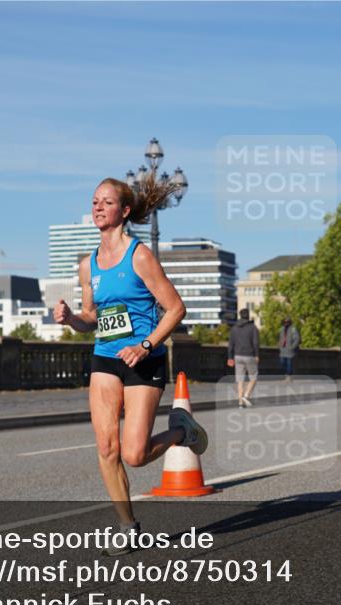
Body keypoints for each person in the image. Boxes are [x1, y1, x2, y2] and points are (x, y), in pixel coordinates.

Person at [54, 177, 207, 556]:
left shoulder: (139, 256)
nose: (98, 207)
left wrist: (145, 345)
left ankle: (181, 431)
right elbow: (91, 317)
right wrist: (71, 319)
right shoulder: (87, 265)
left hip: (144, 359)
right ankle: (128, 527)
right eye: (95, 201)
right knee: (107, 447)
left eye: (107, 202)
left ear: (124, 211)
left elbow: (176, 308)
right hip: (105, 357)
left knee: (134, 455)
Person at [228, 308, 260, 408]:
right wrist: (257, 355)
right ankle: (246, 396)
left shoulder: (234, 328)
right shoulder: (252, 328)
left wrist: (230, 357)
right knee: (253, 377)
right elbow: (256, 343)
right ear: (248, 316)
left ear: (240, 316)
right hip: (249, 355)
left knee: (240, 380)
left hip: (237, 356)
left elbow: (231, 344)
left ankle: (240, 403)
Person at [278, 316, 301, 382]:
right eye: (285, 322)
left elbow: (297, 339)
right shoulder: (281, 329)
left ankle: (289, 377)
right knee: (282, 363)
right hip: (283, 350)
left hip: (290, 350)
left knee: (289, 364)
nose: (286, 323)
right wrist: (279, 346)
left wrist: (292, 347)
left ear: (290, 322)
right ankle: (286, 375)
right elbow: (280, 338)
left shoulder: (293, 329)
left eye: (287, 322)